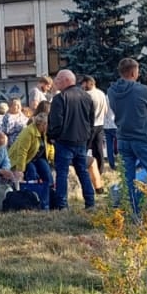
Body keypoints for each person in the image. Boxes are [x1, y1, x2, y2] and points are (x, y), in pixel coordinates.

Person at [107, 58, 147, 214]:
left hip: (122, 137)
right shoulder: (142, 90)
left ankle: (133, 211)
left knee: (127, 177)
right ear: (133, 72)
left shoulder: (112, 90)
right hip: (142, 136)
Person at [47, 69, 96, 210]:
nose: (56, 83)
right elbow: (91, 121)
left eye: (58, 80)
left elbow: (56, 122)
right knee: (83, 172)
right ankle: (90, 202)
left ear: (67, 81)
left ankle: (62, 205)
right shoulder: (87, 97)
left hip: (64, 141)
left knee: (62, 173)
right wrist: (88, 139)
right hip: (81, 140)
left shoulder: (60, 98)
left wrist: (52, 137)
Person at [7, 112, 52, 209]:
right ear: (42, 124)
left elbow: (49, 147)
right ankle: (32, 202)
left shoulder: (45, 133)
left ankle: (46, 203)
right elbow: (22, 152)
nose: (49, 126)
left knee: (47, 175)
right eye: (47, 124)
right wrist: (20, 169)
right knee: (32, 174)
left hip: (38, 157)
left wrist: (52, 160)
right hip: (25, 158)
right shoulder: (29, 132)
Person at [85, 75, 110, 174]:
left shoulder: (88, 94)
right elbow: (106, 110)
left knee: (84, 147)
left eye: (84, 83)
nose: (82, 86)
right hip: (100, 123)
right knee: (98, 148)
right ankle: (100, 169)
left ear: (89, 83)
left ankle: (84, 167)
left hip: (90, 124)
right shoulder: (101, 93)